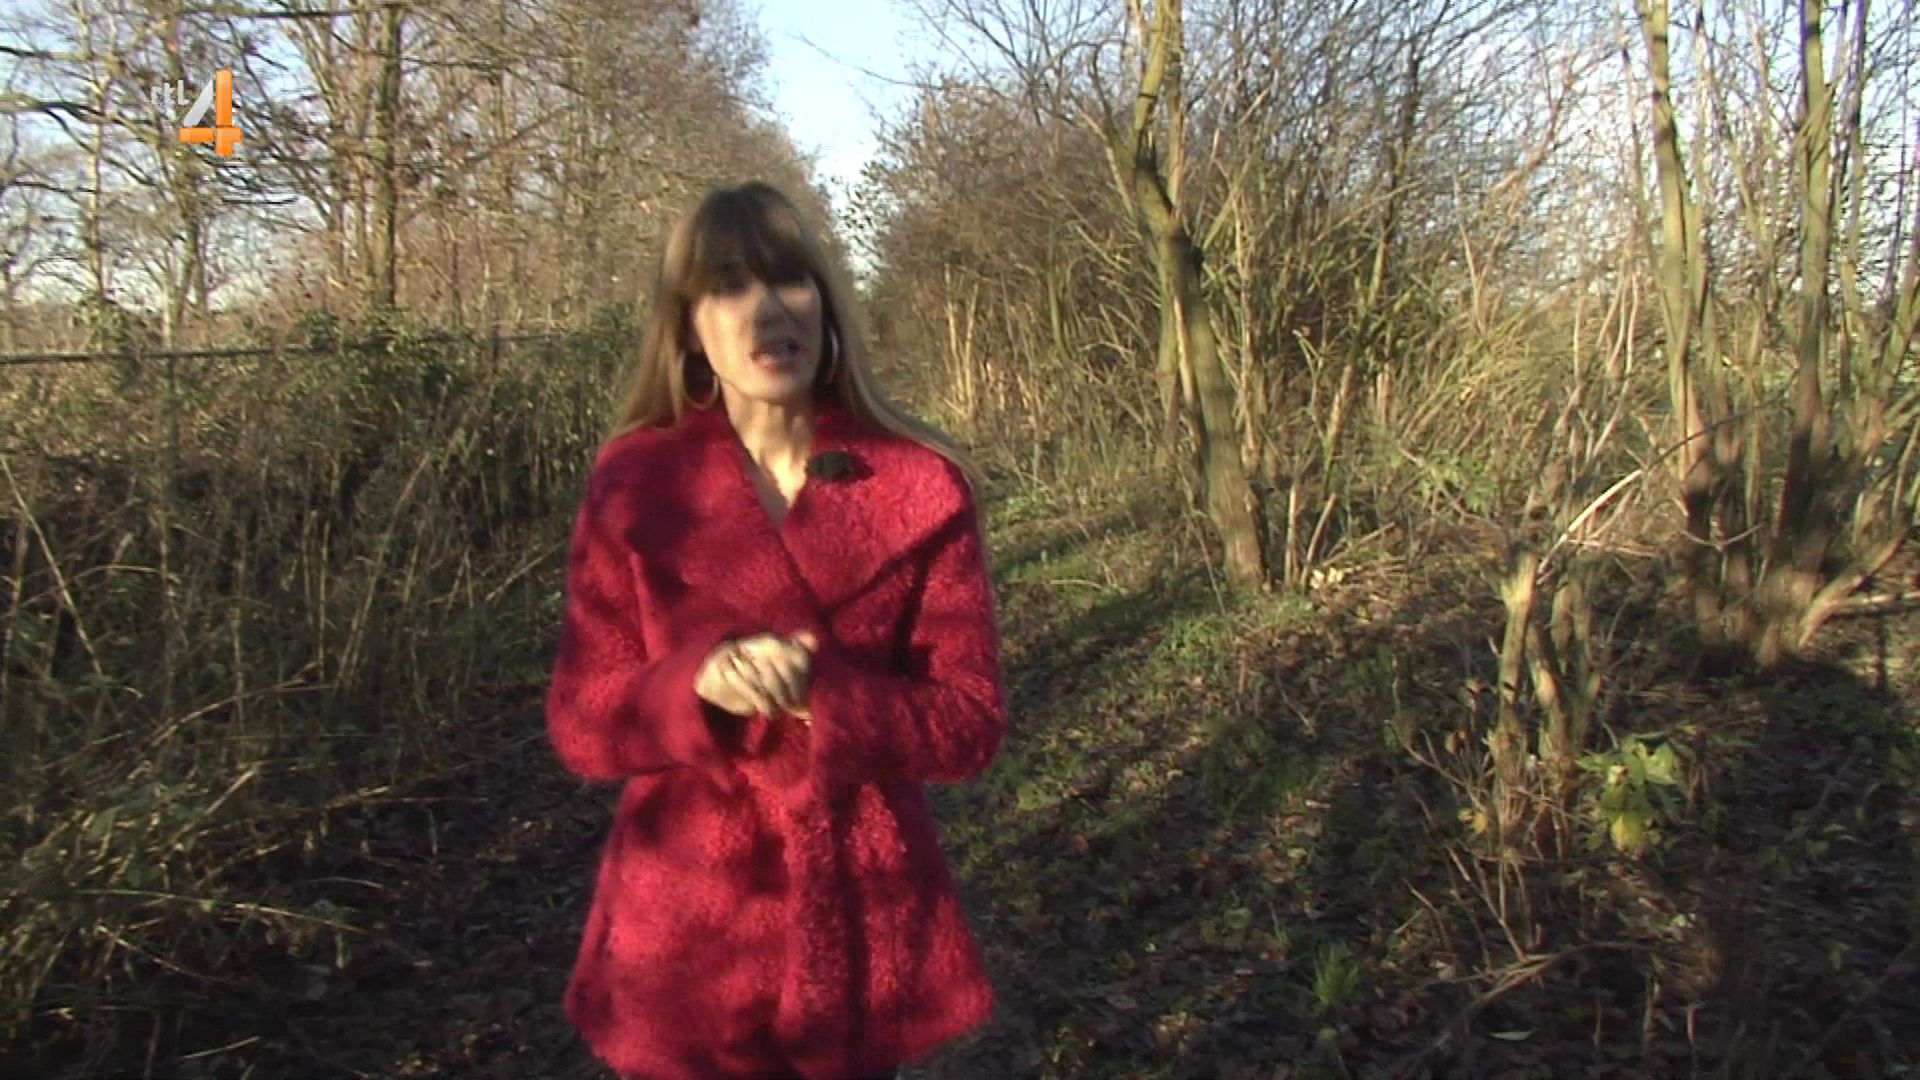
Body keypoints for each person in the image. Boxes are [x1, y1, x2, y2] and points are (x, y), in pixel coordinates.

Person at [544, 180, 1009, 1080]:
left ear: (826, 304)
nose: (766, 310)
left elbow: (970, 724)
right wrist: (695, 686)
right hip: (687, 934)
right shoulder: (636, 485)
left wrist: (829, 700)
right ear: (687, 328)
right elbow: (581, 722)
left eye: (790, 280)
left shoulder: (921, 485)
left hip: (861, 913)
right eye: (727, 286)